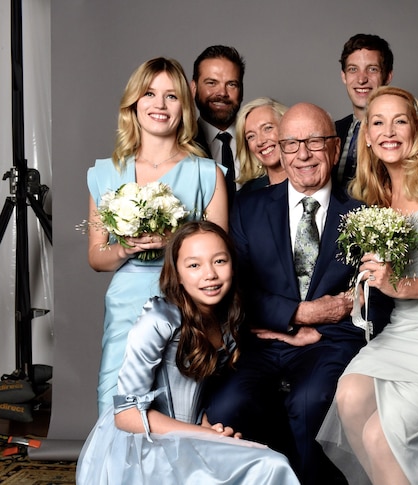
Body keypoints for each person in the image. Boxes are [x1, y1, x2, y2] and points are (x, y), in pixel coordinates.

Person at [205, 102, 390, 485]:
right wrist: (298, 315)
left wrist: (347, 308)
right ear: (280, 149)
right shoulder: (247, 208)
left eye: (314, 142)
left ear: (335, 148)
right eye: (290, 144)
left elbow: (378, 301)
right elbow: (234, 289)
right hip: (261, 341)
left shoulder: (363, 213)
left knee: (311, 403)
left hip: (330, 342)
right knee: (225, 406)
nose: (302, 154)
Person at [317, 86, 418, 484]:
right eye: (378, 122)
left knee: (380, 435)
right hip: (405, 329)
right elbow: (383, 278)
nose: (389, 131)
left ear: (417, 128)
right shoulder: (374, 196)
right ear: (367, 136)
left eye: (400, 121)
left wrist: (404, 287)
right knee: (349, 397)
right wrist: (366, 281)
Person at [77, 221, 299, 484]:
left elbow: (202, 391)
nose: (210, 275)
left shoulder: (228, 318)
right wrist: (203, 434)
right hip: (148, 445)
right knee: (271, 465)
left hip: (194, 434)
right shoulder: (159, 320)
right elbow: (126, 415)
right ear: (177, 274)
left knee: (269, 460)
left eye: (219, 261)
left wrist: (211, 429)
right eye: (194, 265)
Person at [86, 57, 228, 414]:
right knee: (118, 405)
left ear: (184, 105)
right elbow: (96, 257)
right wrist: (125, 249)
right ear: (134, 103)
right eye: (149, 94)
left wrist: (175, 244)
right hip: (126, 301)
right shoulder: (105, 173)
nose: (160, 105)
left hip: (188, 302)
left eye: (171, 96)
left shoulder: (207, 174)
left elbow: (222, 256)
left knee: (179, 410)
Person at [333, 33, 394, 190]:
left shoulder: (403, 131)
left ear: (387, 76)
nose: (361, 79)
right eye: (353, 69)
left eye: (372, 69)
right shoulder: (333, 131)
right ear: (343, 76)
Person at [191, 45, 245, 204]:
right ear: (193, 88)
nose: (222, 93)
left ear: (241, 90)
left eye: (231, 84)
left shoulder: (260, 142)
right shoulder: (180, 144)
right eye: (211, 83)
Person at [235, 97, 289, 193]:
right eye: (251, 136)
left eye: (267, 128)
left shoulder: (314, 179)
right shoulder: (245, 197)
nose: (260, 141)